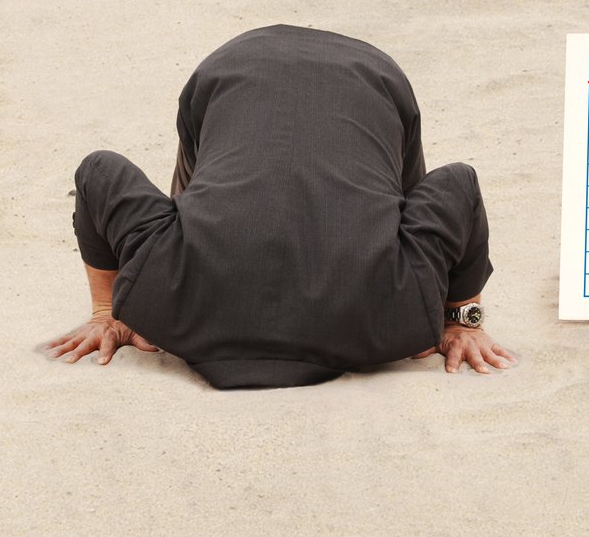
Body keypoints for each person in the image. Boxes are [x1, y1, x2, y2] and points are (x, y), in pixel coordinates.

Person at [48, 24, 513, 388]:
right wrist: (458, 315)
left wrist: (457, 315)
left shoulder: (395, 316)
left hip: (267, 66)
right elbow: (99, 172)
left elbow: (456, 185)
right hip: (354, 74)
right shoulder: (163, 299)